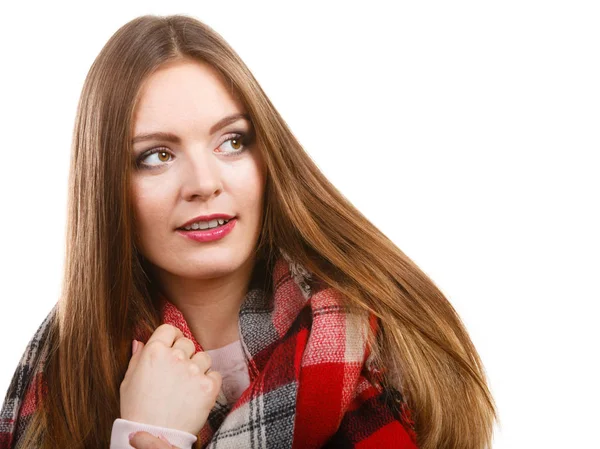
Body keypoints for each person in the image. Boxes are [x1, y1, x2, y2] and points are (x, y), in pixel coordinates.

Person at [0, 14, 497, 449]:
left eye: (231, 141)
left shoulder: (389, 340)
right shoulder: (62, 372)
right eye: (156, 156)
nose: (203, 184)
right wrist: (143, 434)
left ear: (266, 157)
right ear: (107, 186)